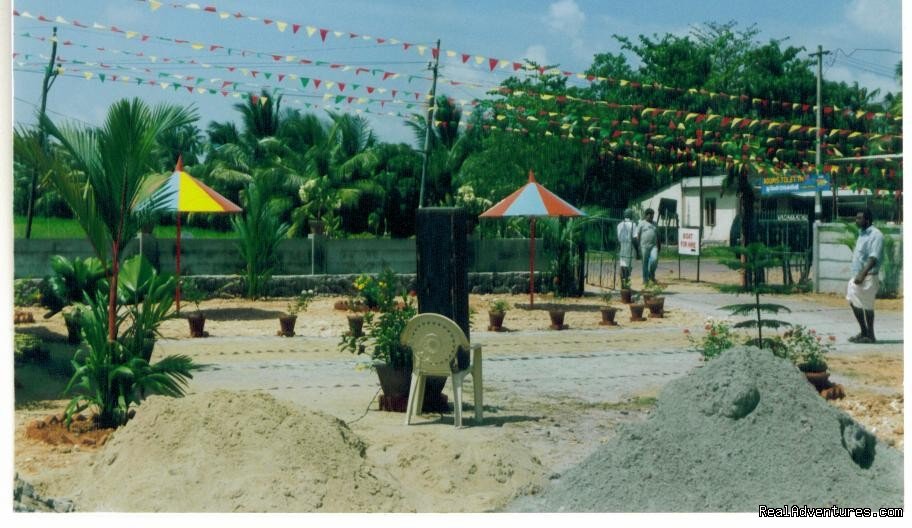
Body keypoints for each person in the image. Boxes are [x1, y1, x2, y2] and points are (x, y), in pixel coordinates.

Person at [846, 209, 884, 343]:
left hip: (868, 277)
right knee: (852, 300)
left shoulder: (876, 235)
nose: (856, 221)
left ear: (867, 220)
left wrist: (862, 274)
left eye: (859, 218)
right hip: (857, 276)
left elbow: (873, 257)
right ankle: (864, 332)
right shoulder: (861, 233)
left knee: (868, 306)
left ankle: (870, 335)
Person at [635, 208, 659, 285]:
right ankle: (645, 279)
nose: (652, 217)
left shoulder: (655, 224)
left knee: (654, 260)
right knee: (644, 263)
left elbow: (658, 235)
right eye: (650, 215)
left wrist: (659, 245)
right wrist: (638, 247)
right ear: (646, 215)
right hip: (644, 247)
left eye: (652, 215)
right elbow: (638, 236)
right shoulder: (641, 223)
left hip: (654, 246)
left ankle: (651, 275)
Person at [616, 209, 636, 287]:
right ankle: (626, 283)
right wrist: (637, 249)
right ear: (631, 215)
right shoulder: (633, 224)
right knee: (628, 266)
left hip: (622, 246)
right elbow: (634, 238)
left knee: (622, 264)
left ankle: (623, 283)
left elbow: (618, 237)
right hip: (629, 246)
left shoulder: (619, 224)